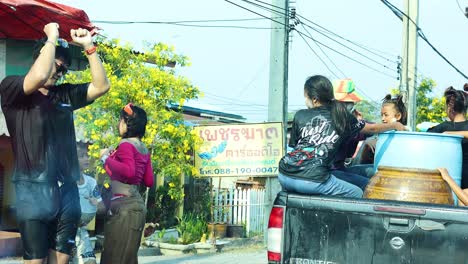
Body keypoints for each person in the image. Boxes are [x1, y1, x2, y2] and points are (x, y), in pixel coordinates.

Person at [0, 23, 110, 264]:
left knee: (60, 261)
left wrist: (89, 47)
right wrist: (52, 37)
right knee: (36, 261)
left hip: (67, 190)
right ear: (41, 57)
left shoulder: (64, 95)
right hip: (32, 190)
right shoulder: (13, 90)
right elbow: (38, 75)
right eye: (56, 65)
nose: (59, 72)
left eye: (64, 70)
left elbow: (102, 86)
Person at [278, 75, 406, 197]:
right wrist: (395, 125)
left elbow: (296, 148)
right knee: (359, 192)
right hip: (315, 178)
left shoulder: (300, 115)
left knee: (371, 173)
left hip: (284, 175)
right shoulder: (342, 117)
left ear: (315, 99)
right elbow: (371, 128)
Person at [99, 103, 154, 264]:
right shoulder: (143, 148)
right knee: (128, 258)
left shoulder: (125, 144)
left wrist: (105, 158)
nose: (118, 124)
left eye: (120, 120)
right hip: (137, 207)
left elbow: (128, 171)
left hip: (124, 206)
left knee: (113, 257)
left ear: (126, 123)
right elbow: (148, 180)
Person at [332, 93, 408, 190]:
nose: (383, 119)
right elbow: (371, 129)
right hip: (334, 172)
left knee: (376, 172)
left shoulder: (403, 132)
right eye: (347, 104)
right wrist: (393, 125)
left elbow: (370, 128)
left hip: (341, 169)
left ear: (398, 116)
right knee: (370, 185)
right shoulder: (339, 122)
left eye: (351, 104)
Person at [428, 85, 468, 188]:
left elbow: (426, 138)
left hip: (448, 181)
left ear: (450, 108)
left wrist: (449, 134)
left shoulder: (443, 128)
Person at [75, 155, 102, 264]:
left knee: (90, 262)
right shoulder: (62, 181)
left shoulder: (91, 182)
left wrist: (97, 202)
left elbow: (101, 206)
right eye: (82, 156)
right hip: (64, 232)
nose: (87, 158)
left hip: (81, 232)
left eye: (87, 155)